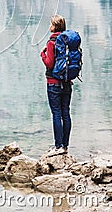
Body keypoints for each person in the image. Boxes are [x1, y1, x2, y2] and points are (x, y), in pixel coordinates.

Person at [41, 14, 72, 156]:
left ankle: (58, 146)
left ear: (54, 26)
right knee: (66, 113)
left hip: (53, 83)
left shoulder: (52, 41)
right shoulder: (68, 40)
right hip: (67, 82)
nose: (49, 26)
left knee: (56, 113)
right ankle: (65, 145)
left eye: (51, 24)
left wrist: (43, 54)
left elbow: (50, 63)